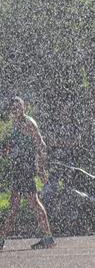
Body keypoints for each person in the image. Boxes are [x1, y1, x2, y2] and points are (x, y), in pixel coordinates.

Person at [0, 97, 55, 250]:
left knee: (28, 203)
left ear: (24, 108)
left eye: (19, 107)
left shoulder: (28, 123)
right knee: (16, 205)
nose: (16, 110)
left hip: (25, 169)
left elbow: (41, 145)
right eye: (14, 108)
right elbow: (14, 145)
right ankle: (47, 237)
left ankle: (47, 237)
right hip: (19, 169)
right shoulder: (16, 124)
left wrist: (42, 168)